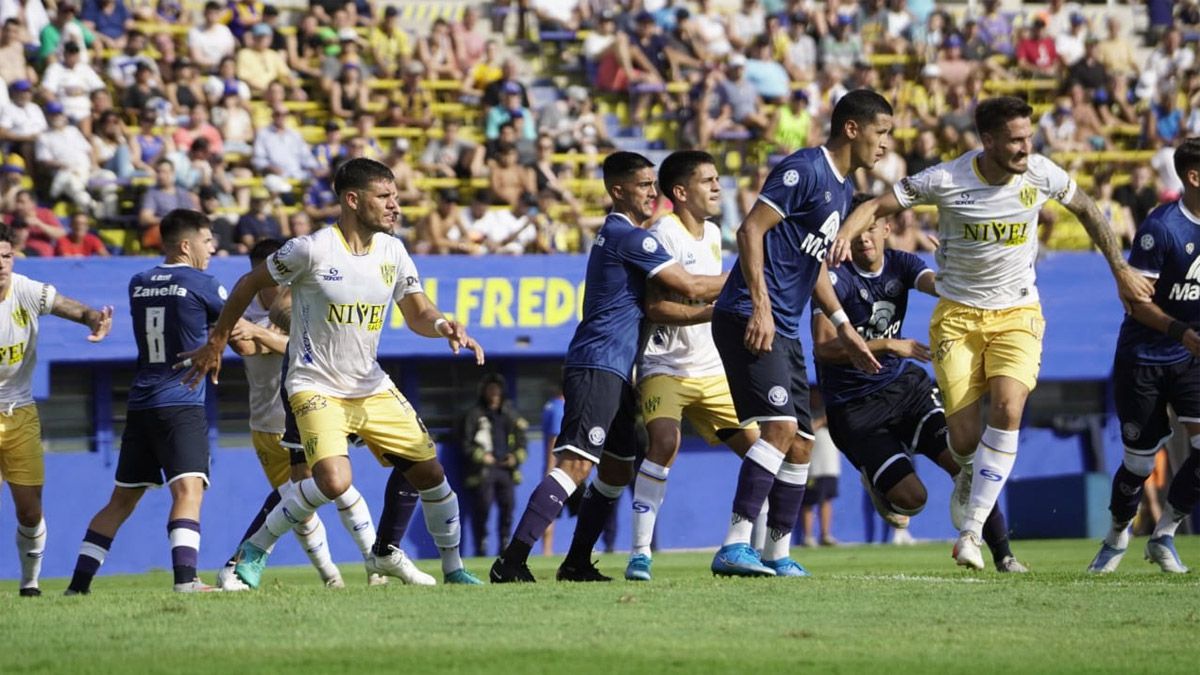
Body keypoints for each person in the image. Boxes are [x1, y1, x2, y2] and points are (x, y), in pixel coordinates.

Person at [838, 96, 1153, 570]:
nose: (1026, 147)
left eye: (1029, 137)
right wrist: (844, 235)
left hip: (1017, 313)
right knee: (962, 441)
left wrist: (1120, 269)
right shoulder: (946, 179)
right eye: (1016, 140)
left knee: (1008, 407)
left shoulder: (1041, 173)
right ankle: (968, 484)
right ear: (988, 141)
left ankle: (970, 534)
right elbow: (878, 205)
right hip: (959, 318)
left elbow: (1087, 209)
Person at [181, 158, 485, 587]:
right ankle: (254, 549)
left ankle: (452, 568)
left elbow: (418, 311)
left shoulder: (393, 251)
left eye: (396, 196)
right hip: (314, 383)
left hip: (370, 384)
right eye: (385, 197)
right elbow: (249, 284)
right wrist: (217, 341)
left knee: (431, 475)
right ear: (353, 199)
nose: (395, 206)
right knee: (334, 479)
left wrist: (442, 326)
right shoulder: (311, 249)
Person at [489, 151, 728, 583]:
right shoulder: (631, 238)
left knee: (617, 468)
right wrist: (751, 274)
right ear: (617, 190)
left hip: (618, 369)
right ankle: (512, 560)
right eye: (643, 185)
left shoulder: (620, 235)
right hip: (598, 363)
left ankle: (577, 561)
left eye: (654, 185)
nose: (652, 193)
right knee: (576, 464)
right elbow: (690, 285)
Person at [707, 90, 889, 578]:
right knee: (780, 430)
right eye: (881, 132)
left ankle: (777, 553)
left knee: (803, 441)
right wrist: (761, 308)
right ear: (852, 128)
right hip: (749, 312)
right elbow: (750, 231)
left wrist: (846, 329)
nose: (885, 144)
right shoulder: (805, 169)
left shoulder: (844, 190)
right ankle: (732, 546)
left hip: (786, 325)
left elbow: (815, 271)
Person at [814, 194, 1027, 572]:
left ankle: (1004, 556)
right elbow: (824, 348)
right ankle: (877, 481)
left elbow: (939, 286)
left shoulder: (901, 263)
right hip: (855, 408)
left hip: (905, 389)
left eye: (872, 227)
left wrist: (955, 266)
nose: (865, 236)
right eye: (857, 228)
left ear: (887, 228)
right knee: (913, 500)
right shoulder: (834, 277)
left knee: (967, 462)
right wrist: (885, 343)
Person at [214, 242, 432, 590]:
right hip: (268, 423)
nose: (280, 285)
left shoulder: (302, 301)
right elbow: (244, 345)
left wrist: (261, 334)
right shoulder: (248, 313)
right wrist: (259, 333)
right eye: (271, 280)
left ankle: (369, 568)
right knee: (298, 504)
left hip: (313, 408)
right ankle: (330, 574)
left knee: (333, 489)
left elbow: (305, 345)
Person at [64, 210, 258, 595]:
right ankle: (186, 581)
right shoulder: (200, 281)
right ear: (186, 245)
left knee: (120, 500)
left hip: (141, 404)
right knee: (189, 492)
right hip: (180, 400)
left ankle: (77, 586)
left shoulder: (139, 282)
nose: (212, 247)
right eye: (207, 240)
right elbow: (240, 331)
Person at [622, 150, 761, 582]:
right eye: (708, 180)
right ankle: (640, 553)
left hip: (711, 368)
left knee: (764, 453)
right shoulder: (663, 233)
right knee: (663, 443)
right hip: (664, 364)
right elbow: (657, 307)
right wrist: (736, 288)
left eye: (718, 178)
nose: (718, 187)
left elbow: (709, 297)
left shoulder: (715, 234)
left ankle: (749, 548)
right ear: (680, 192)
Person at [1088, 138, 1200, 575]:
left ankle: (1165, 534)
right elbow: (1136, 302)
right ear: (1193, 177)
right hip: (1147, 357)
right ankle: (1118, 533)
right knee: (1138, 463)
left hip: (1191, 356)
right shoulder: (1162, 228)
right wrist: (1178, 330)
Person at [0, 223, 111, 596]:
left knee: (30, 512)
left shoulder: (25, 290)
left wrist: (94, 318)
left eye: (6, 255)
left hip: (20, 412)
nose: (2, 264)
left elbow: (68, 307)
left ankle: (29, 583)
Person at [461, 373, 528, 556]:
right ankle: (481, 545)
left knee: (508, 507)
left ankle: (505, 544)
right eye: (490, 389)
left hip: (506, 470)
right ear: (484, 391)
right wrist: (482, 457)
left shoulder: (510, 414)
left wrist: (515, 458)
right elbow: (465, 444)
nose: (494, 393)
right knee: (483, 507)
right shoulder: (475, 414)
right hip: (484, 471)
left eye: (497, 389)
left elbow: (522, 442)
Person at [798, 403, 838, 547]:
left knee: (827, 500)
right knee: (808, 502)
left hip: (830, 467)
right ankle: (808, 537)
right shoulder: (806, 414)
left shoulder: (833, 415)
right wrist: (822, 420)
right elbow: (807, 430)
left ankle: (825, 535)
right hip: (813, 468)